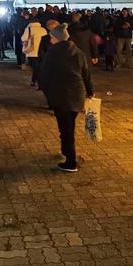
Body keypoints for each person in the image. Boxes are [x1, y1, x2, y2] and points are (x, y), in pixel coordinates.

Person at [38, 23, 94, 173]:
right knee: (69, 126)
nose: (50, 41)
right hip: (77, 95)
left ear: (57, 38)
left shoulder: (53, 53)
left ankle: (71, 162)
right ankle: (66, 152)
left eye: (51, 38)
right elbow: (86, 74)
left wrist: (48, 93)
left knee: (66, 129)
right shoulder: (78, 52)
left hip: (60, 95)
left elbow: (43, 76)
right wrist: (90, 92)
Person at [21, 17, 48, 89]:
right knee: (38, 68)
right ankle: (34, 81)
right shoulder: (43, 29)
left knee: (35, 68)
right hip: (41, 51)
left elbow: (23, 38)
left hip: (31, 51)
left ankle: (38, 84)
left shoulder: (28, 29)